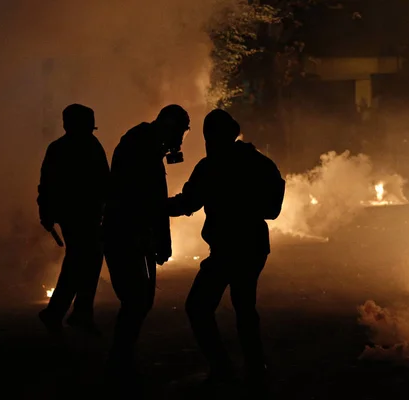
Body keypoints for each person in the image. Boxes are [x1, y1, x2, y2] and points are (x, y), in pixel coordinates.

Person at [168, 109, 285, 389]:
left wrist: (155, 206)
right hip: (254, 246)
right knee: (245, 307)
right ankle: (255, 368)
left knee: (198, 307)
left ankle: (223, 369)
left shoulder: (211, 166)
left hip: (226, 249)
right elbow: (273, 208)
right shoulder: (260, 163)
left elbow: (188, 203)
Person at [103, 104, 190, 375]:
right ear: (169, 125)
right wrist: (160, 238)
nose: (180, 140)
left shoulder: (145, 144)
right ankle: (119, 362)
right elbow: (148, 200)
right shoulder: (142, 147)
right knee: (137, 299)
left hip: (131, 232)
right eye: (181, 132)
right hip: (126, 232)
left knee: (140, 299)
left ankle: (122, 358)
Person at [37, 103, 109, 335]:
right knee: (81, 262)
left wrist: (46, 213)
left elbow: (46, 186)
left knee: (84, 262)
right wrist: (46, 212)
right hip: (79, 217)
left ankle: (74, 313)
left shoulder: (62, 148)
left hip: (84, 216)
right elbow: (48, 185)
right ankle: (65, 313)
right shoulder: (76, 147)